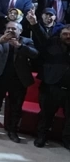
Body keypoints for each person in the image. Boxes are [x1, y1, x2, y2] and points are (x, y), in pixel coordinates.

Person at [0, 20, 38, 142]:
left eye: (14, 29)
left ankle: (13, 131)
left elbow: (35, 54)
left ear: (20, 31)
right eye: (8, 28)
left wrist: (19, 46)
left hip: (18, 80)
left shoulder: (27, 41)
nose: (10, 31)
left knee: (16, 107)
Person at [26, 16, 70, 149]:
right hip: (51, 86)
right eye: (65, 34)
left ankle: (67, 140)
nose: (68, 36)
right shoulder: (52, 43)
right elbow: (41, 36)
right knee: (46, 114)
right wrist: (34, 24)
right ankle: (41, 137)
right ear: (60, 34)